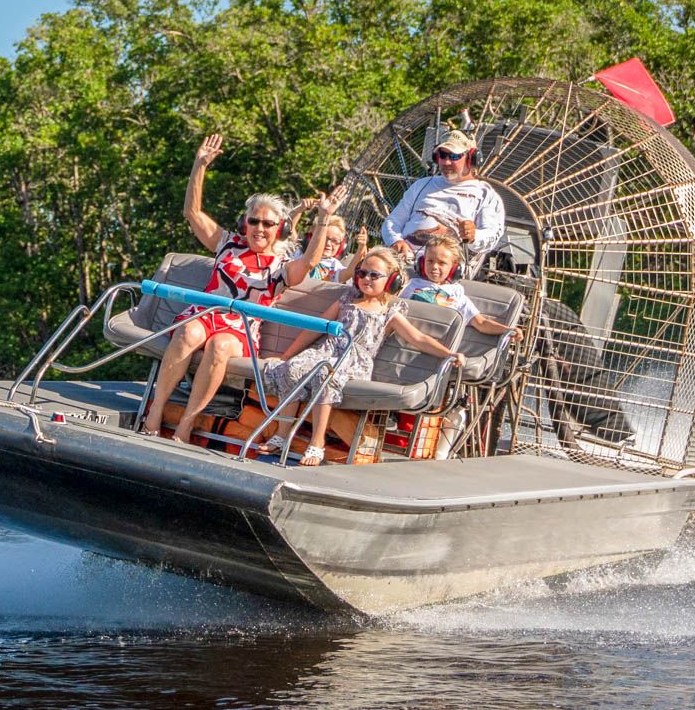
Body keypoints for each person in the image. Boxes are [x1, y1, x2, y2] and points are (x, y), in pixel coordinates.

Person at [141, 134, 345, 444]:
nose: (260, 229)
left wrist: (323, 220)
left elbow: (309, 263)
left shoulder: (281, 263)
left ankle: (186, 424)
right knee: (188, 334)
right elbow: (192, 214)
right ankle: (155, 413)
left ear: (280, 229)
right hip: (205, 312)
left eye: (267, 224)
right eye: (254, 222)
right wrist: (199, 166)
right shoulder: (227, 244)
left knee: (220, 347)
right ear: (244, 224)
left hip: (240, 327)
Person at [256, 246, 465, 466]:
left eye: (374, 275)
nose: (366, 279)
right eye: (362, 273)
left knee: (325, 377)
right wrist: (287, 355)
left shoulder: (390, 312)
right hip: (327, 351)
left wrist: (448, 353)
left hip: (353, 360)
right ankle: (282, 433)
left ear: (391, 280)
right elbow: (316, 329)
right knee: (294, 368)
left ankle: (317, 443)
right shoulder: (347, 299)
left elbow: (418, 338)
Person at [381, 119, 506, 268]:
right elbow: (392, 221)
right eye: (442, 155)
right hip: (403, 262)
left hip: (443, 269)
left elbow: (491, 236)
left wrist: (474, 236)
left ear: (471, 159)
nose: (446, 162)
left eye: (454, 157)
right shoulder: (422, 184)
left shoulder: (485, 194)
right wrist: (396, 241)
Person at [400, 233, 524, 336]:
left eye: (442, 263)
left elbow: (481, 323)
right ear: (422, 262)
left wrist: (508, 330)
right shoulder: (409, 285)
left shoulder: (457, 295)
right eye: (430, 261)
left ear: (455, 268)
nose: (434, 267)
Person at [292, 211, 370, 283]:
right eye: (325, 238)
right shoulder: (298, 252)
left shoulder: (334, 265)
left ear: (341, 246)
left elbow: (349, 272)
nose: (329, 243)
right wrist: (299, 209)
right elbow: (290, 230)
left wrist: (361, 248)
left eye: (335, 241)